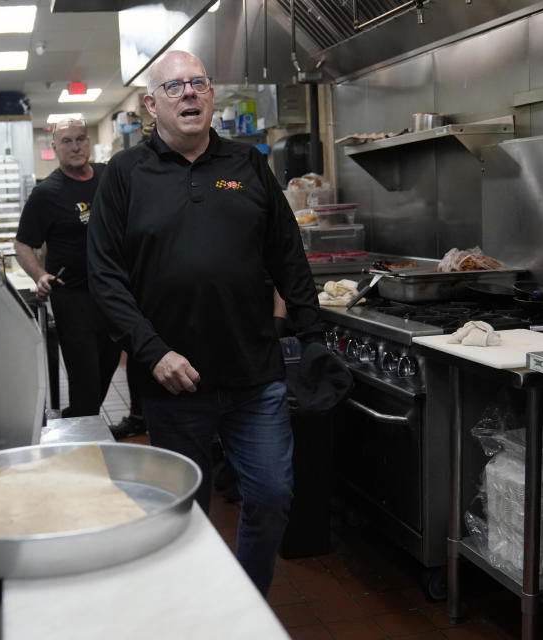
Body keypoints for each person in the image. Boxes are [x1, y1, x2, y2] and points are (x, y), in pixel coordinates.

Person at [86, 50, 322, 596]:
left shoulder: (248, 165)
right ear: (151, 105)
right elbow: (105, 276)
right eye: (174, 88)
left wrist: (313, 339)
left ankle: (245, 600)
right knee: (184, 512)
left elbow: (288, 256)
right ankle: (195, 609)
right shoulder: (124, 175)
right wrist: (151, 351)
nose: (189, 94)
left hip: (253, 373)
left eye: (197, 84)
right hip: (174, 381)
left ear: (212, 95)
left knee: (270, 495)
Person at [14, 118, 121, 418]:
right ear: (55, 148)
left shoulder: (105, 176)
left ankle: (80, 419)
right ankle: (83, 439)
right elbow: (23, 245)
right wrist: (40, 275)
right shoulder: (47, 193)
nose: (75, 147)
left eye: (80, 139)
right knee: (85, 376)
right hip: (73, 297)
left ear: (88, 142)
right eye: (67, 141)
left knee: (110, 362)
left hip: (112, 291)